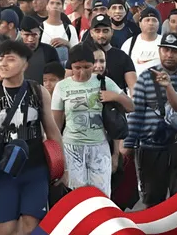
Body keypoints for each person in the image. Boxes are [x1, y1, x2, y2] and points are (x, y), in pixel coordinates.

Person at [0, 40, 64, 235]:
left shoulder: (38, 91)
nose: (3, 64)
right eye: (0, 59)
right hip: (4, 171)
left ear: (25, 64)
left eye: (10, 59)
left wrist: (63, 168)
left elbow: (53, 132)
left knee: (31, 227)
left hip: (36, 169)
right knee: (4, 232)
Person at [122, 33, 177, 208]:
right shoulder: (145, 77)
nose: (169, 55)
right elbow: (136, 112)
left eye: (174, 51)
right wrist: (129, 145)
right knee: (152, 200)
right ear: (159, 50)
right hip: (151, 147)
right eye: (165, 50)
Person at [52, 45, 134, 197]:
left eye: (86, 67)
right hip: (72, 147)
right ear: (70, 66)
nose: (82, 72)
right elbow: (55, 124)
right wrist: (58, 156)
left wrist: (115, 96)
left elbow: (130, 106)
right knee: (77, 196)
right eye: (77, 68)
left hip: (99, 146)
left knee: (101, 195)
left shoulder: (104, 81)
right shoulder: (62, 87)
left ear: (93, 65)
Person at [121, 8, 163, 77]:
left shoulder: (164, 42)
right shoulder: (129, 43)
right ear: (140, 23)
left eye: (154, 20)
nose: (150, 23)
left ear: (159, 24)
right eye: (147, 20)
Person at [19, 16, 60, 83]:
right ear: (21, 34)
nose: (30, 39)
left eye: (34, 35)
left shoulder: (49, 51)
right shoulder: (14, 51)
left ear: (39, 34)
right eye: (27, 35)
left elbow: (57, 75)